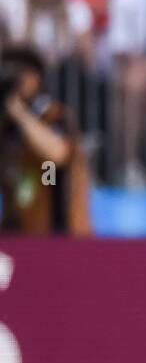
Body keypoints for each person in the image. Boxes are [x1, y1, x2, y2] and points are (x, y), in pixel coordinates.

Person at [0, 47, 90, 236]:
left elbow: (56, 154)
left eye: (22, 71)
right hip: (17, 232)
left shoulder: (54, 115)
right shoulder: (7, 125)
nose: (17, 79)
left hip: (60, 231)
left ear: (37, 77)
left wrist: (19, 113)